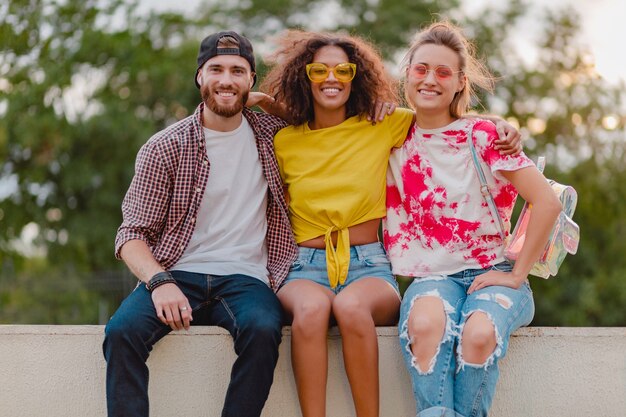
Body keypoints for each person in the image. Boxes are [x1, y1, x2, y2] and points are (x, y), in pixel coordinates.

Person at [258, 30, 521, 417]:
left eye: (342, 70)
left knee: (350, 307)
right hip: (304, 267)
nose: (331, 78)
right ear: (304, 76)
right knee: (312, 312)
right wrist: (263, 102)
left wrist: (500, 124)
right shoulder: (284, 141)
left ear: (356, 76)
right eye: (319, 70)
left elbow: (444, 115)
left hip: (369, 266)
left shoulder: (383, 124)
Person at [102, 31, 297, 417]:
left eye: (238, 71)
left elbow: (317, 121)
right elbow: (131, 233)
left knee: (262, 330)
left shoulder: (273, 136)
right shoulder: (165, 147)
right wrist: (159, 283)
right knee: (121, 333)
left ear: (251, 79)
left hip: (248, 279)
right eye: (217, 70)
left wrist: (262, 105)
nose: (227, 79)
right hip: (176, 273)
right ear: (199, 77)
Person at [384, 21, 562, 417]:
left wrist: (516, 275)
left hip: (493, 271)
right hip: (432, 277)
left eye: (443, 72)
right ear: (408, 73)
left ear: (460, 82)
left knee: (479, 334)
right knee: (426, 327)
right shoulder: (389, 134)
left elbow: (546, 203)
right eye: (421, 69)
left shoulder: (484, 136)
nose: (430, 80)